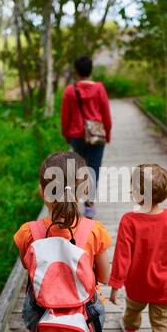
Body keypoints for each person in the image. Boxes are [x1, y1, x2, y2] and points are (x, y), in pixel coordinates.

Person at [14, 151, 111, 332]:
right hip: (85, 322)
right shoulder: (94, 231)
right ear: (84, 191)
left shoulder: (28, 233)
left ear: (42, 191)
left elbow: (30, 268)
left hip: (46, 325)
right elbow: (104, 277)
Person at [109, 164, 167, 332]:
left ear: (138, 194)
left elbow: (122, 257)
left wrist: (115, 286)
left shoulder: (129, 220)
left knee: (133, 308)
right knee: (161, 324)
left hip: (138, 283)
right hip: (164, 284)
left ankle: (129, 330)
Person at [61, 55, 112, 219]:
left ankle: (74, 202)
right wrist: (108, 133)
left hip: (76, 136)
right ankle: (89, 206)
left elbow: (65, 117)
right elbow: (106, 115)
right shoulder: (100, 88)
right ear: (91, 70)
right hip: (97, 135)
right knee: (93, 169)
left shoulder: (70, 90)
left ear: (76, 71)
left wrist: (67, 135)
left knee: (78, 170)